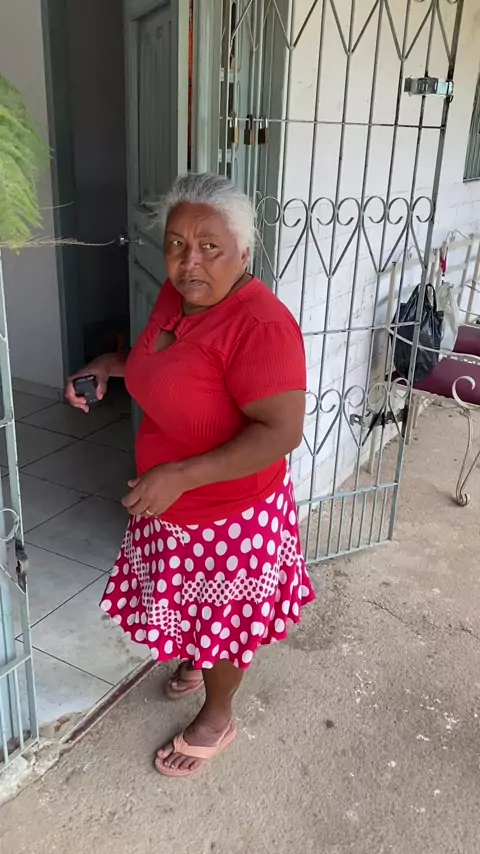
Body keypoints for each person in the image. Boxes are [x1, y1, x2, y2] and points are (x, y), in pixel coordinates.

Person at [66, 173, 315, 778]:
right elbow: (161, 363)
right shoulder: (177, 297)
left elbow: (280, 433)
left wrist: (180, 474)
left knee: (224, 622)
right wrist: (110, 366)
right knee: (191, 607)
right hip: (171, 503)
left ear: (244, 252)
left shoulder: (261, 328)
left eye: (209, 246)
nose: (189, 261)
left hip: (230, 516)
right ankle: (199, 658)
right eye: (176, 244)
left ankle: (218, 715)